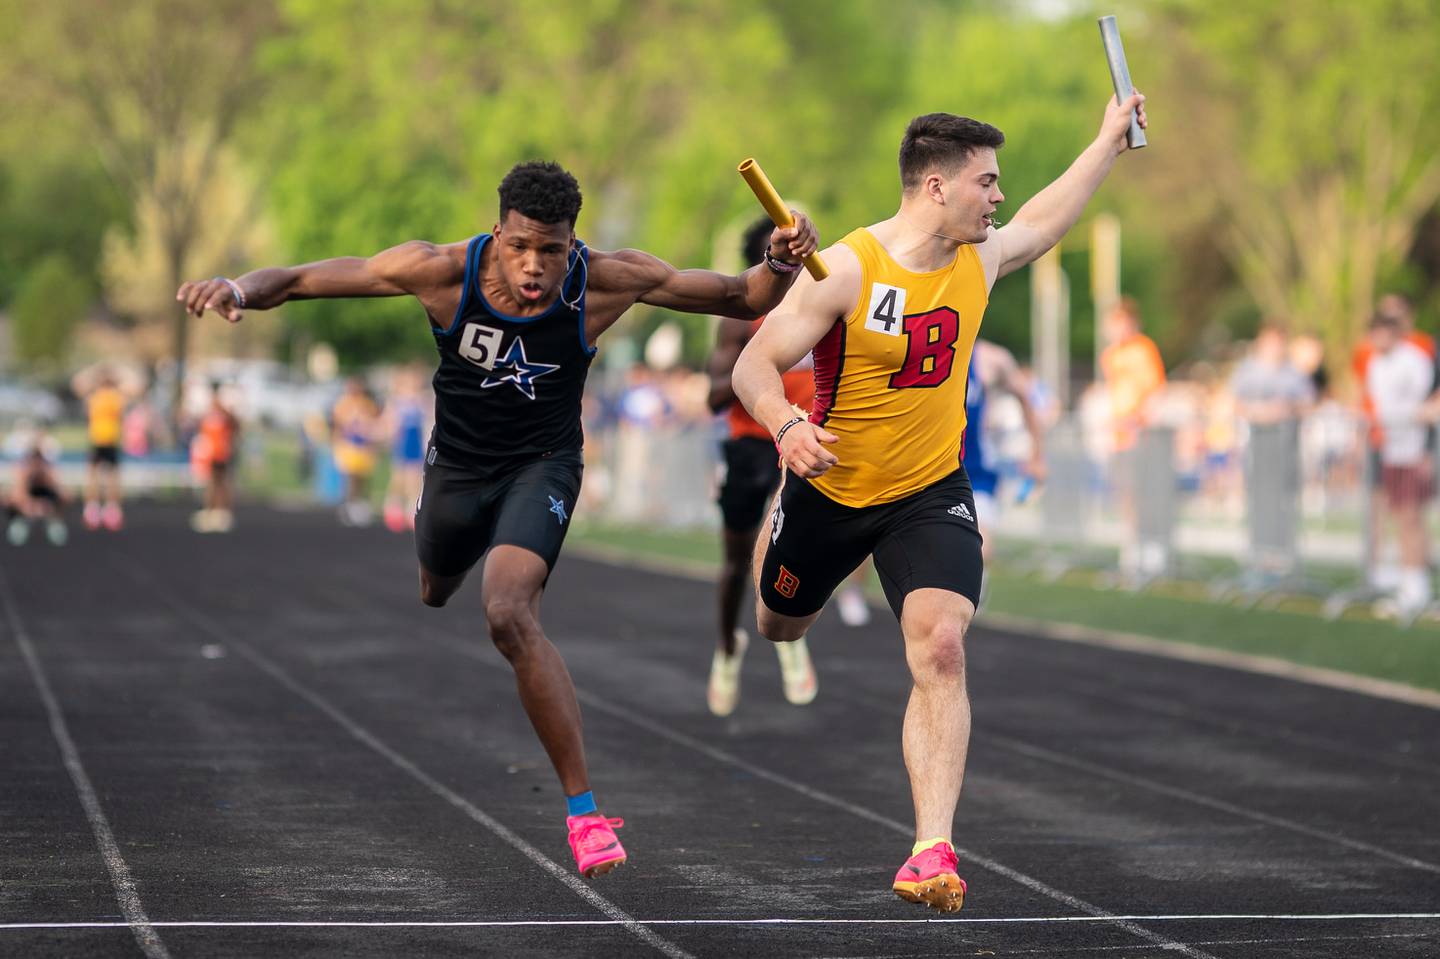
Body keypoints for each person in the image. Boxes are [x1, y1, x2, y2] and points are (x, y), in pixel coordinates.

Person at [177, 160, 817, 877]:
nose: (535, 265)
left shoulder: (606, 278)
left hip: (542, 464)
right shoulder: (439, 271)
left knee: (509, 610)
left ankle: (584, 812)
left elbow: (738, 295)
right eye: (519, 247)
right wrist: (235, 288)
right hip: (456, 467)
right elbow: (298, 280)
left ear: (574, 244)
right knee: (434, 586)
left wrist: (779, 259)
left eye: (552, 249)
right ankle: (447, 555)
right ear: (496, 233)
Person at [732, 94, 1146, 912]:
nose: (997, 197)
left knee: (943, 645)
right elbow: (755, 361)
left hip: (929, 490)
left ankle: (931, 848)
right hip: (831, 486)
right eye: (985, 183)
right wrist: (784, 426)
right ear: (934, 187)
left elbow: (1044, 221)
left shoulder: (980, 259)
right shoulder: (847, 267)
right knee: (779, 622)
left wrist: (1108, 141)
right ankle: (776, 529)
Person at [705, 218, 820, 717]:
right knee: (736, 560)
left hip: (802, 443)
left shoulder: (824, 300)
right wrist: (760, 360)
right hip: (751, 445)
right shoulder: (740, 317)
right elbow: (712, 397)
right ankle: (728, 649)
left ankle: (789, 637)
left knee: (797, 550)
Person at [1365, 313, 1435, 616]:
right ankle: (1410, 579)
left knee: (1412, 517)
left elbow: (1428, 405)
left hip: (1416, 449)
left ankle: (1418, 582)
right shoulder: (1375, 364)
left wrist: (1427, 449)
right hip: (1393, 450)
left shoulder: (1416, 360)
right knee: (1399, 516)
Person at [1098, 297, 1167, 578]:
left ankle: (1151, 550)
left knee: (1144, 494)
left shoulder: (1143, 350)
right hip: (1120, 437)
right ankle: (1131, 549)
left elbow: (1155, 392)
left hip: (1140, 435)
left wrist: (1138, 420)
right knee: (1125, 496)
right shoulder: (1111, 355)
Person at [963, 338, 1047, 567]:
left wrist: (1036, 455)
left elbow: (1026, 397)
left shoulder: (990, 358)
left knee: (979, 548)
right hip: (935, 470)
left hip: (977, 471)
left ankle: (973, 595)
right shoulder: (926, 348)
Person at [71, 366, 129, 531]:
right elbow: (77, 384)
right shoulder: (94, 396)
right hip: (97, 440)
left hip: (111, 441)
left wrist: (117, 373)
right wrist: (95, 371)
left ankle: (112, 509)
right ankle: (92, 508)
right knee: (93, 476)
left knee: (113, 477)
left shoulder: (117, 396)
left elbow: (136, 386)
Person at [381, 366, 431, 533]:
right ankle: (393, 507)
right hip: (403, 443)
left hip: (416, 443)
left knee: (415, 478)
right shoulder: (396, 401)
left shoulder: (422, 400)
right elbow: (390, 422)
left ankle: (412, 509)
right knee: (399, 478)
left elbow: (427, 422)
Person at [191, 383, 241, 533]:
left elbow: (235, 427)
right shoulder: (208, 416)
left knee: (222, 482)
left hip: (222, 453)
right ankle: (210, 510)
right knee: (211, 483)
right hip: (211, 453)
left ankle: (222, 511)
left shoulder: (225, 415)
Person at [331, 376, 382, 526]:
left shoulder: (367, 404)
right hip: (349, 445)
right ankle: (350, 504)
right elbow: (338, 425)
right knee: (351, 477)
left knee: (363, 477)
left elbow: (372, 423)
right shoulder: (343, 404)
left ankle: (360, 503)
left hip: (363, 446)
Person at [6, 438, 68, 546]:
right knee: (11, 504)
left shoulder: (47, 471)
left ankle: (54, 524)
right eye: (34, 459)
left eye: (39, 459)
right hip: (26, 511)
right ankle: (20, 524)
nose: (36, 463)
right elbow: (15, 496)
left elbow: (65, 495)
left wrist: (47, 506)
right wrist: (31, 506)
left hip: (46, 506)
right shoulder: (24, 473)